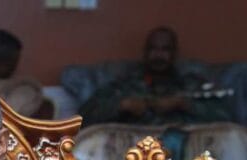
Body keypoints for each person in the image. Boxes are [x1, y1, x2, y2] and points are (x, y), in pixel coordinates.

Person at [78, 26, 232, 126]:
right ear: (145, 53)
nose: (158, 55)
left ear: (174, 54)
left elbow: (228, 118)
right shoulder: (124, 85)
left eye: (165, 49)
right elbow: (83, 118)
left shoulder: (192, 85)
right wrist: (122, 106)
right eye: (153, 49)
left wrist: (184, 104)